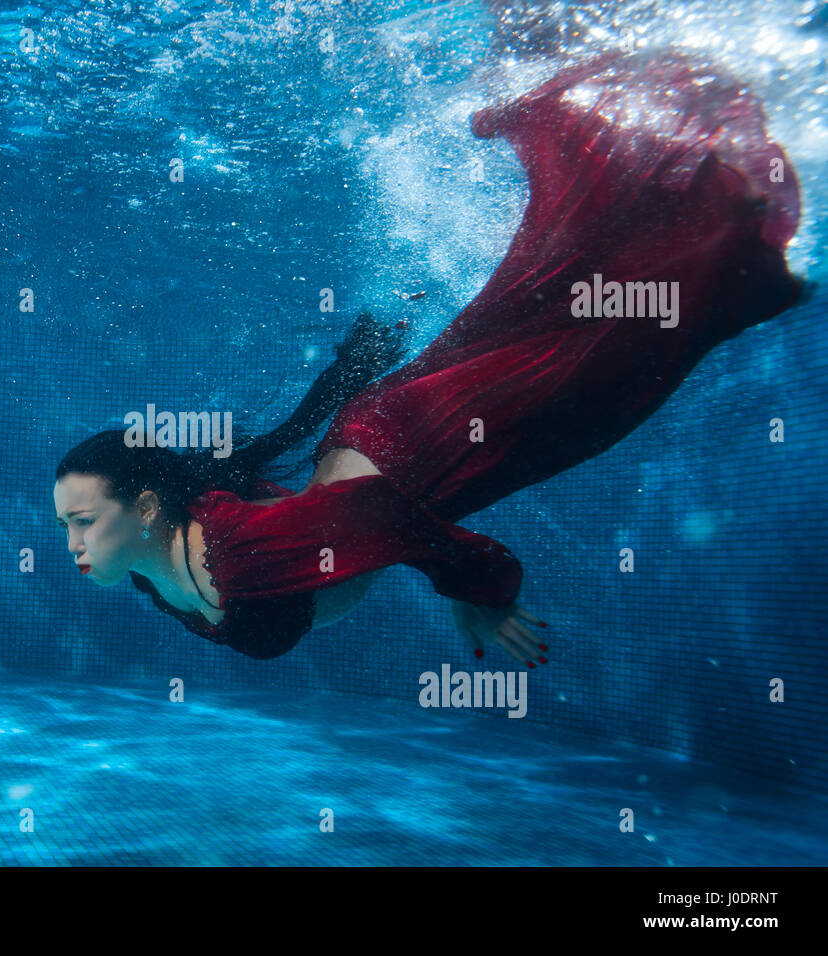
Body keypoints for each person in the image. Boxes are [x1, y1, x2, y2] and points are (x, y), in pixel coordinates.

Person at [53, 50, 807, 663]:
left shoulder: (241, 555)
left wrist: (482, 596)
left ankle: (716, 210)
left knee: (595, 360)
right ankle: (672, 181)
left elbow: (400, 524)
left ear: (145, 508)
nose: (72, 545)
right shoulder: (153, 576)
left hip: (421, 439)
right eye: (66, 527)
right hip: (384, 439)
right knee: (550, 318)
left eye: (83, 521)